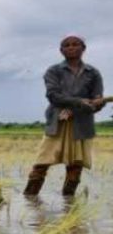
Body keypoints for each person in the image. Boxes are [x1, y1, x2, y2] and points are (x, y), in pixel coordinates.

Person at [23, 34, 105, 197]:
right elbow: (53, 96)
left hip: (81, 124)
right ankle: (29, 200)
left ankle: (68, 204)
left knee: (75, 167)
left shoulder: (93, 73)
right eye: (67, 45)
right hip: (58, 121)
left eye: (76, 44)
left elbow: (97, 102)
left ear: (83, 48)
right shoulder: (54, 71)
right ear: (61, 50)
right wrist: (80, 102)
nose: (71, 47)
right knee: (41, 163)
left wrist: (95, 103)